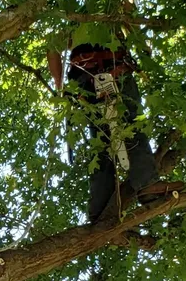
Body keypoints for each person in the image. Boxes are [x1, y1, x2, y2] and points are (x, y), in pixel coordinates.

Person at [48, 36, 161, 222]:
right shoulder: (109, 21)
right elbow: (53, 47)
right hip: (113, 72)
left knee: (101, 142)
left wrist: (61, 88)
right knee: (131, 126)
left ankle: (99, 209)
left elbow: (53, 47)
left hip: (88, 81)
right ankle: (146, 184)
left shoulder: (73, 26)